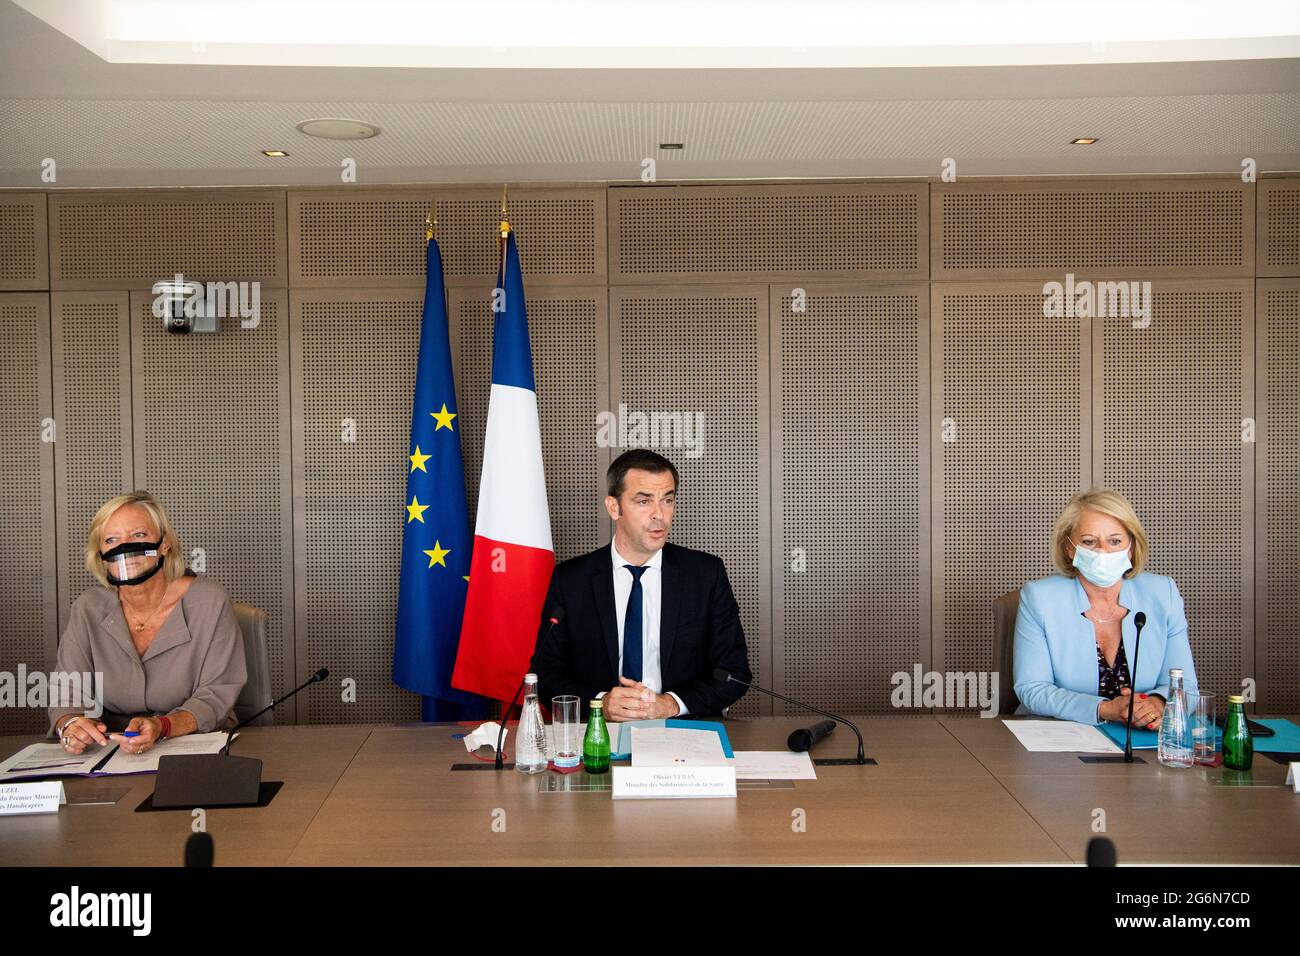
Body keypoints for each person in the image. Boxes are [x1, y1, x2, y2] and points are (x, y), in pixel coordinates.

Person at [530, 449, 750, 720]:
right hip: (600, 733)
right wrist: (601, 703)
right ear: (614, 507)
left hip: (684, 730)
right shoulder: (572, 579)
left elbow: (735, 671)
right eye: (644, 502)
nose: (660, 515)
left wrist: (671, 704)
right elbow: (546, 673)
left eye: (667, 500)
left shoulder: (705, 575)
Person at [48, 491, 247, 755]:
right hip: (111, 748)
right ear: (101, 555)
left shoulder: (208, 601)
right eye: (111, 540)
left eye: (138, 536)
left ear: (165, 544)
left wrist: (162, 726)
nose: (125, 549)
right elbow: (67, 693)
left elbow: (217, 693)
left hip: (194, 742)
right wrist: (71, 725)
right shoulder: (88, 608)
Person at [1013, 488, 1197, 727]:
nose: (1102, 551)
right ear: (1070, 548)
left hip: (1145, 735)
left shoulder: (1163, 594)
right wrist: (1105, 709)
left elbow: (1186, 687)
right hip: (1060, 739)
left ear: (1131, 547)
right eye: (1089, 541)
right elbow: (1032, 689)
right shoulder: (1040, 598)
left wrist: (1155, 704)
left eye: (1115, 541)